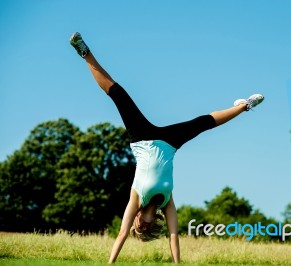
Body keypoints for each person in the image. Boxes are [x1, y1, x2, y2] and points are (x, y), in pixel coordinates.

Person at [69, 32, 264, 264]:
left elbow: (121, 234)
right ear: (150, 225)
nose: (138, 225)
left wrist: (110, 263)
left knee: (118, 95)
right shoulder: (167, 202)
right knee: (203, 123)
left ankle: (84, 52)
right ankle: (245, 106)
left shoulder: (136, 198)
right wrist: (177, 263)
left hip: (141, 139)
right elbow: (174, 235)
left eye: (137, 226)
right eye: (142, 228)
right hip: (170, 143)